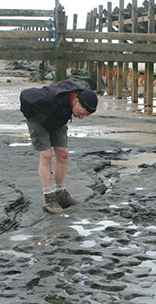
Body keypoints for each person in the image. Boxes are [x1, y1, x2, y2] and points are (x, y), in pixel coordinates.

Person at [20, 79, 98, 214]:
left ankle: (61, 195)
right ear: (76, 101)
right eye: (82, 113)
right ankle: (49, 198)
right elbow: (24, 95)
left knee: (63, 153)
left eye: (85, 116)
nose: (81, 118)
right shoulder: (49, 97)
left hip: (58, 120)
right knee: (46, 155)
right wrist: (32, 117)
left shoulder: (81, 94)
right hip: (38, 120)